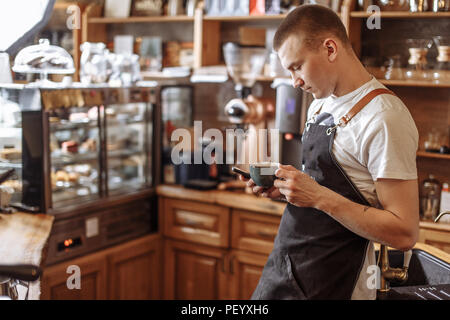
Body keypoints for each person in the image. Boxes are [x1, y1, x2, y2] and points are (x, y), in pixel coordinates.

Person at [239, 5, 419, 300]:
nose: (294, 81)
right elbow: (323, 184)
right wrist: (287, 189)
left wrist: (318, 196)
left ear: (331, 49)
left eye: (297, 66)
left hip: (336, 282)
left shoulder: (384, 118)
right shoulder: (321, 104)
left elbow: (404, 233)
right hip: (288, 268)